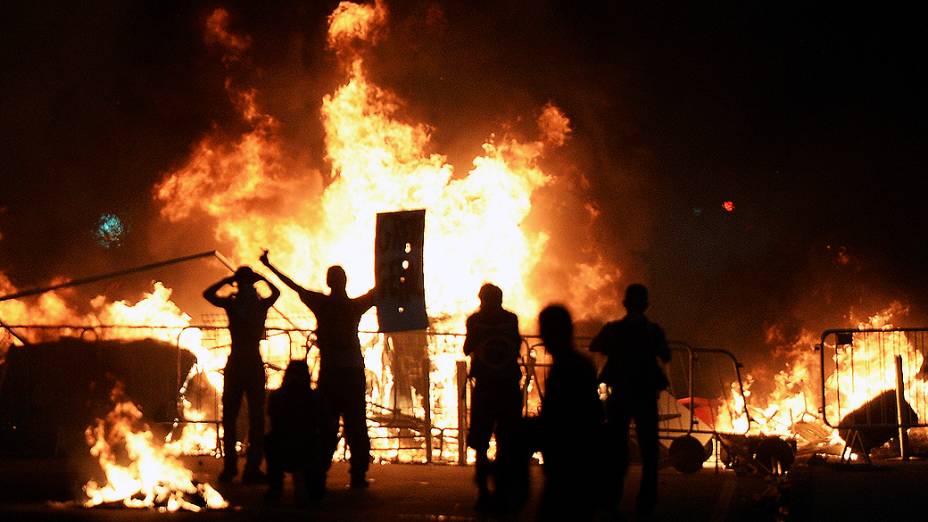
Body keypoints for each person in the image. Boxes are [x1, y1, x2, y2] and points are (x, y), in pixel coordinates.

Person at [260, 250, 377, 489]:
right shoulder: (354, 307)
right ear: (345, 282)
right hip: (352, 372)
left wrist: (269, 266)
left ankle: (319, 471)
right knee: (356, 424)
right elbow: (380, 291)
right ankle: (357, 474)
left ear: (328, 282)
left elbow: (293, 286)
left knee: (325, 424)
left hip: (332, 373)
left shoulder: (322, 304)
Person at [590, 283, 671, 519]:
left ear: (625, 304)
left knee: (615, 448)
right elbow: (666, 355)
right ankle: (646, 502)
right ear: (646, 305)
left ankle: (611, 498)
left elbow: (596, 345)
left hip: (622, 394)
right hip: (645, 395)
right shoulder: (653, 331)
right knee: (649, 450)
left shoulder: (614, 329)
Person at [203, 266, 280, 483]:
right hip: (252, 363)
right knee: (256, 417)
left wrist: (227, 280)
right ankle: (251, 468)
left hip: (236, 362)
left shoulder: (233, 303)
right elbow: (276, 293)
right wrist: (261, 278)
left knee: (231, 416)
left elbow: (207, 294)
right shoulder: (259, 304)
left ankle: (231, 468)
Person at [538, 304, 604, 521]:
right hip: (576, 459)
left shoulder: (569, 367)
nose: (543, 339)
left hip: (570, 461)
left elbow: (564, 416)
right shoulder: (576, 364)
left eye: (545, 332)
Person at [462, 283, 522, 511]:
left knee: (481, 441)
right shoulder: (511, 319)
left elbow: (467, 349)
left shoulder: (475, 321)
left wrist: (480, 333)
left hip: (486, 385)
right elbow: (516, 346)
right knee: (507, 440)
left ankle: (484, 492)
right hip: (507, 385)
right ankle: (503, 490)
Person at [265, 359, 324, 503]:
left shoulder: (277, 396)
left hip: (283, 448)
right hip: (306, 448)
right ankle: (311, 487)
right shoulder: (314, 398)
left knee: (270, 440)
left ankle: (276, 487)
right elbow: (323, 424)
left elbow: (273, 421)